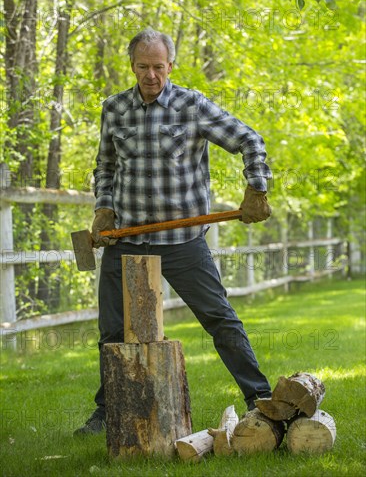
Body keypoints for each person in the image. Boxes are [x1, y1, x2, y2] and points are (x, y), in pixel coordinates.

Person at [74, 27, 272, 435]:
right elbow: (105, 167)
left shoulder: (192, 105)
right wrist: (104, 208)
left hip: (182, 242)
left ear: (170, 66)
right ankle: (107, 411)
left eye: (159, 67)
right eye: (143, 66)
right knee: (113, 331)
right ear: (132, 66)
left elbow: (250, 140)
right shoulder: (114, 109)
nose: (151, 75)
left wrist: (256, 188)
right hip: (126, 240)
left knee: (220, 319)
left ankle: (260, 399)